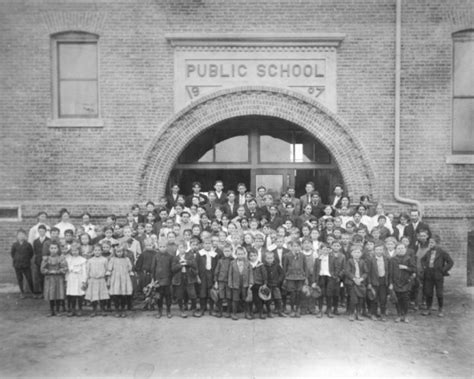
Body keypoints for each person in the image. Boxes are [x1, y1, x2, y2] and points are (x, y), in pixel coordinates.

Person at [420, 235, 454, 317]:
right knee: (428, 293)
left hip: (438, 275)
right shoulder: (428, 252)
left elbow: (450, 262)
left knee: (439, 293)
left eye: (432, 242)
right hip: (428, 275)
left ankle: (440, 309)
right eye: (429, 242)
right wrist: (424, 267)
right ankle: (428, 309)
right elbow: (422, 260)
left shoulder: (442, 252)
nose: (430, 244)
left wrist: (443, 270)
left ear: (437, 243)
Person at [389, 243, 416, 323]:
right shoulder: (393, 259)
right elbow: (390, 272)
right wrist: (391, 283)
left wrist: (406, 267)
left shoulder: (409, 258)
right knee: (397, 299)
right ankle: (399, 314)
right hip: (396, 282)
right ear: (396, 250)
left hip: (406, 282)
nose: (400, 250)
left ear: (405, 249)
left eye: (402, 248)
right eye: (398, 249)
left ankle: (405, 315)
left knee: (405, 299)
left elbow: (414, 269)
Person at [41, 241, 68, 316]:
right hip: (50, 278)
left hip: (59, 278)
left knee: (59, 293)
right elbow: (42, 269)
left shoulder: (61, 258)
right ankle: (52, 310)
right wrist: (49, 271)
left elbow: (65, 268)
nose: (53, 250)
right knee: (51, 294)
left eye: (55, 248)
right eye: (52, 248)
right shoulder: (46, 259)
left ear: (58, 249)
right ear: (49, 249)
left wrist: (58, 271)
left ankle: (58, 310)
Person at [282, 240, 308, 318]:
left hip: (300, 277)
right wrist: (286, 277)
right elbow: (285, 267)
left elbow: (305, 267)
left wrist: (305, 277)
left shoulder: (302, 255)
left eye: (297, 246)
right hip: (290, 277)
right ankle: (292, 309)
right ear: (291, 247)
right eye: (294, 246)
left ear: (300, 247)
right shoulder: (287, 255)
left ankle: (298, 309)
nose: (296, 248)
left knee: (299, 293)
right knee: (292, 293)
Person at [107, 245, 134, 318]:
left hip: (124, 279)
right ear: (115, 252)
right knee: (116, 295)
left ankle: (123, 309)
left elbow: (130, 268)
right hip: (115, 279)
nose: (119, 253)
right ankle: (117, 309)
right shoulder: (113, 259)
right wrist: (109, 279)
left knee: (123, 295)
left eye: (121, 251)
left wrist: (130, 274)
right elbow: (109, 269)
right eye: (117, 252)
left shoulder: (126, 259)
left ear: (123, 252)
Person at [228, 246, 254, 321]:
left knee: (245, 298)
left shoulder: (248, 263)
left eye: (242, 254)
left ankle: (246, 313)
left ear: (245, 254)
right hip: (235, 284)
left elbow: (251, 273)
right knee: (235, 299)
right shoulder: (232, 263)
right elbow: (230, 274)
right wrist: (230, 283)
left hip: (245, 283)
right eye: (238, 254)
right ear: (236, 254)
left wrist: (251, 282)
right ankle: (234, 313)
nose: (240, 255)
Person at [194, 238, 218, 317]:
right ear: (203, 245)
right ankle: (202, 308)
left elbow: (216, 267)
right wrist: (197, 276)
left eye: (209, 244)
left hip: (211, 274)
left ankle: (211, 309)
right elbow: (196, 266)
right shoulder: (199, 253)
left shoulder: (214, 254)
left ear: (211, 245)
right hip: (202, 275)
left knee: (211, 291)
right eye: (206, 243)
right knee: (202, 292)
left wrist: (215, 278)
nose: (207, 245)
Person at [85, 244, 110, 317]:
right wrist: (87, 280)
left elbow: (107, 269)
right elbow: (87, 270)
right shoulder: (90, 260)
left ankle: (102, 309)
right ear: (93, 251)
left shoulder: (104, 259)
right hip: (93, 280)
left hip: (101, 280)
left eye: (99, 250)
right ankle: (94, 310)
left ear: (101, 251)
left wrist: (106, 278)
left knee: (102, 296)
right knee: (94, 296)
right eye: (95, 250)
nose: (97, 252)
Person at [151, 239, 174, 318]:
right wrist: (153, 279)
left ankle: (168, 310)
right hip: (158, 281)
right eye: (161, 246)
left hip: (167, 280)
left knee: (168, 296)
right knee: (158, 297)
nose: (162, 248)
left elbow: (172, 269)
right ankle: (159, 311)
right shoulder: (156, 256)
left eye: (164, 246)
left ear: (167, 247)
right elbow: (153, 268)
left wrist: (171, 279)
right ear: (158, 247)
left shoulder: (170, 257)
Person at [367, 242, 390, 321]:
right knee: (374, 298)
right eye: (377, 249)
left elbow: (389, 271)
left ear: (383, 250)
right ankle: (373, 313)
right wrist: (369, 283)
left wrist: (389, 282)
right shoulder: (371, 259)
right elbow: (368, 272)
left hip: (383, 281)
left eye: (380, 249)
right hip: (374, 281)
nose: (379, 251)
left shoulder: (386, 259)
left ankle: (382, 314)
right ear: (374, 250)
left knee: (383, 299)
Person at [312, 243, 336, 318]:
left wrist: (334, 276)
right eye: (323, 249)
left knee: (329, 295)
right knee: (320, 295)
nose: (325, 251)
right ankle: (320, 310)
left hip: (329, 278)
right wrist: (314, 281)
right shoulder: (318, 259)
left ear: (329, 250)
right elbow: (315, 271)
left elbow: (336, 268)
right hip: (321, 277)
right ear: (320, 250)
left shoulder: (332, 258)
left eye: (327, 249)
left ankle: (329, 310)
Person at [11, 229, 35, 298]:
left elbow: (31, 253)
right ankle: (22, 292)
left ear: (25, 236)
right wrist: (17, 259)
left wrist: (26, 259)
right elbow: (12, 254)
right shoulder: (15, 245)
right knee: (19, 279)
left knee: (29, 278)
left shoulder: (28, 244)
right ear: (17, 236)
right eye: (19, 235)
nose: (21, 236)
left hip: (26, 265)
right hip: (17, 265)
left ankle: (33, 292)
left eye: (22, 235)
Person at [345, 247, 368, 321]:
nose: (356, 254)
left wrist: (361, 279)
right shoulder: (349, 261)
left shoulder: (363, 262)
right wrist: (354, 279)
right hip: (352, 282)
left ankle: (358, 313)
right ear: (352, 254)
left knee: (361, 298)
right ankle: (351, 313)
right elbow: (347, 272)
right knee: (353, 299)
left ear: (361, 254)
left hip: (361, 282)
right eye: (355, 252)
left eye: (358, 252)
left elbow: (366, 272)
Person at [65, 240, 87, 317]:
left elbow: (84, 271)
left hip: (79, 278)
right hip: (71, 278)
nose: (74, 252)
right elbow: (67, 270)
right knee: (71, 295)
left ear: (79, 251)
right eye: (73, 251)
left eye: (76, 250)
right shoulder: (68, 259)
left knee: (79, 294)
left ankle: (80, 309)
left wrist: (84, 281)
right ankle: (72, 309)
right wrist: (66, 279)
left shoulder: (82, 260)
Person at [263, 251, 286, 317]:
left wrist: (279, 281)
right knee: (268, 299)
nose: (269, 260)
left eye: (271, 258)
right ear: (265, 259)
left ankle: (280, 311)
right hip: (268, 285)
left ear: (273, 258)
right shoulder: (263, 266)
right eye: (268, 258)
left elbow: (282, 273)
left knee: (278, 298)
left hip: (276, 285)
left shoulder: (277, 265)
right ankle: (269, 312)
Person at [213, 243, 234, 318]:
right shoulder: (220, 261)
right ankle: (220, 311)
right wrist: (215, 281)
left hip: (229, 281)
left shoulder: (233, 260)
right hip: (221, 280)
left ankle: (228, 311)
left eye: (228, 251)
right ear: (223, 252)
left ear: (231, 251)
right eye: (225, 251)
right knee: (220, 296)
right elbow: (216, 271)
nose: (227, 253)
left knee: (229, 296)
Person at [249, 249, 268, 319]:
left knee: (259, 299)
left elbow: (264, 275)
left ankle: (261, 312)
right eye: (251, 256)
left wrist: (265, 283)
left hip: (258, 284)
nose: (253, 257)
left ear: (257, 256)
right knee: (251, 299)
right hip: (250, 284)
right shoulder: (248, 264)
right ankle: (250, 313)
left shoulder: (260, 264)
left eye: (254, 255)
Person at [32, 224, 50, 295]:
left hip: (47, 261)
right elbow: (35, 251)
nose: (41, 232)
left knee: (47, 277)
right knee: (40, 277)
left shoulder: (48, 240)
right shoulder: (35, 241)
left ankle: (47, 292)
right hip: (38, 261)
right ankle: (42, 291)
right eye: (40, 231)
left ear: (45, 232)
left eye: (43, 231)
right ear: (38, 232)